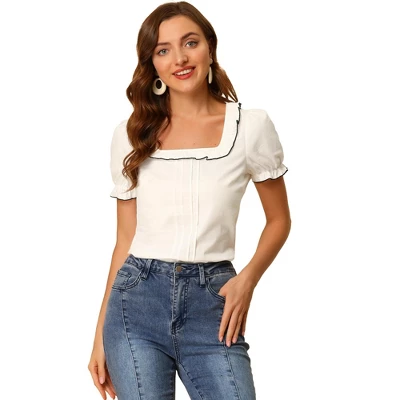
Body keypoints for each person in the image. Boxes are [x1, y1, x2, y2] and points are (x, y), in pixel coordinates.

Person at [88, 1, 291, 399]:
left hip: (213, 302)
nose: (179, 58)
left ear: (210, 48)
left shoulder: (250, 127)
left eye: (190, 43)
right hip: (135, 304)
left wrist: (247, 280)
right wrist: (99, 337)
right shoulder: (132, 134)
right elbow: (124, 240)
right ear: (153, 64)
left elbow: (279, 220)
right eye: (163, 50)